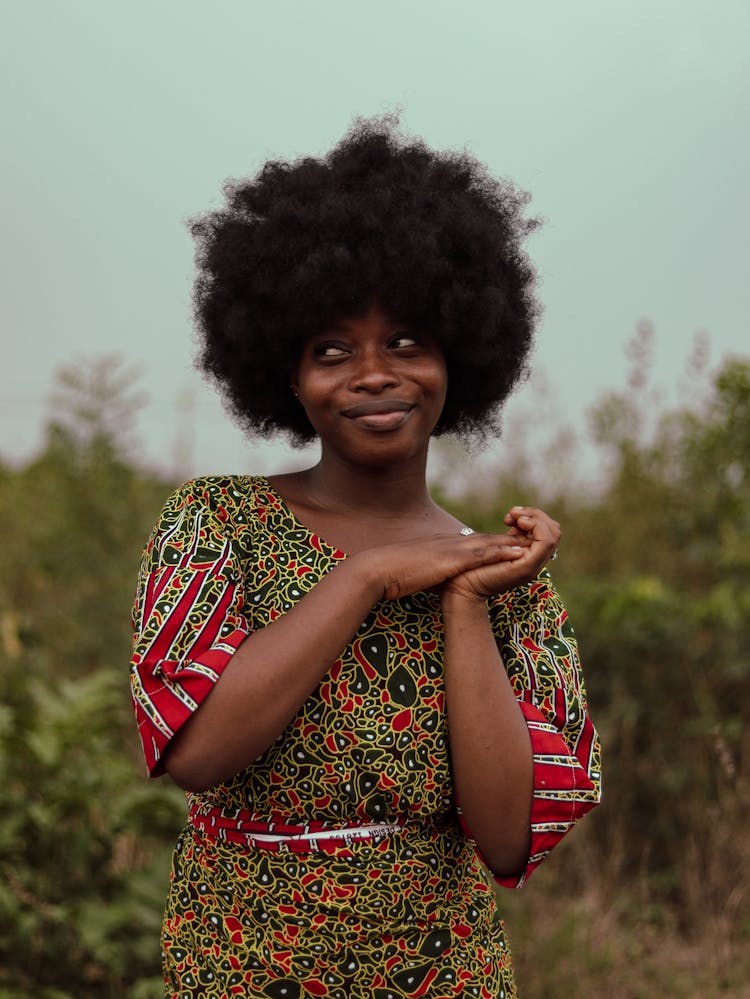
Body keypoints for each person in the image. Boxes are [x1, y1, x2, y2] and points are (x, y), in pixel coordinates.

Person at [130, 119, 601, 999]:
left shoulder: (497, 569)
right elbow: (194, 751)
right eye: (332, 349)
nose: (374, 373)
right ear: (285, 373)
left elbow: (504, 838)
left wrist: (464, 602)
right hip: (244, 962)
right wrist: (370, 575)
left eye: (408, 342)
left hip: (443, 971)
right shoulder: (217, 522)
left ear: (462, 352)